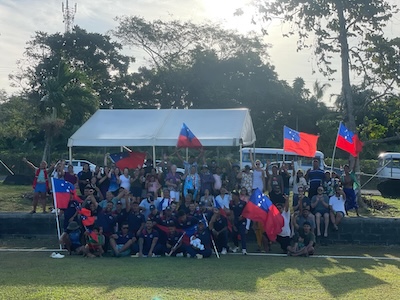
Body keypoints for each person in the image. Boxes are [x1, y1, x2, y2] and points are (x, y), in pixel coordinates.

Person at [229, 190, 249, 254]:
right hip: (235, 220)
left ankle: (244, 249)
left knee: (242, 234)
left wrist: (242, 216)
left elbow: (246, 212)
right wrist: (233, 224)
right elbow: (231, 214)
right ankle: (236, 246)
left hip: (242, 220)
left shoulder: (243, 203)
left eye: (233, 195)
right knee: (234, 234)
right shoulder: (231, 204)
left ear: (237, 196)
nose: (232, 197)